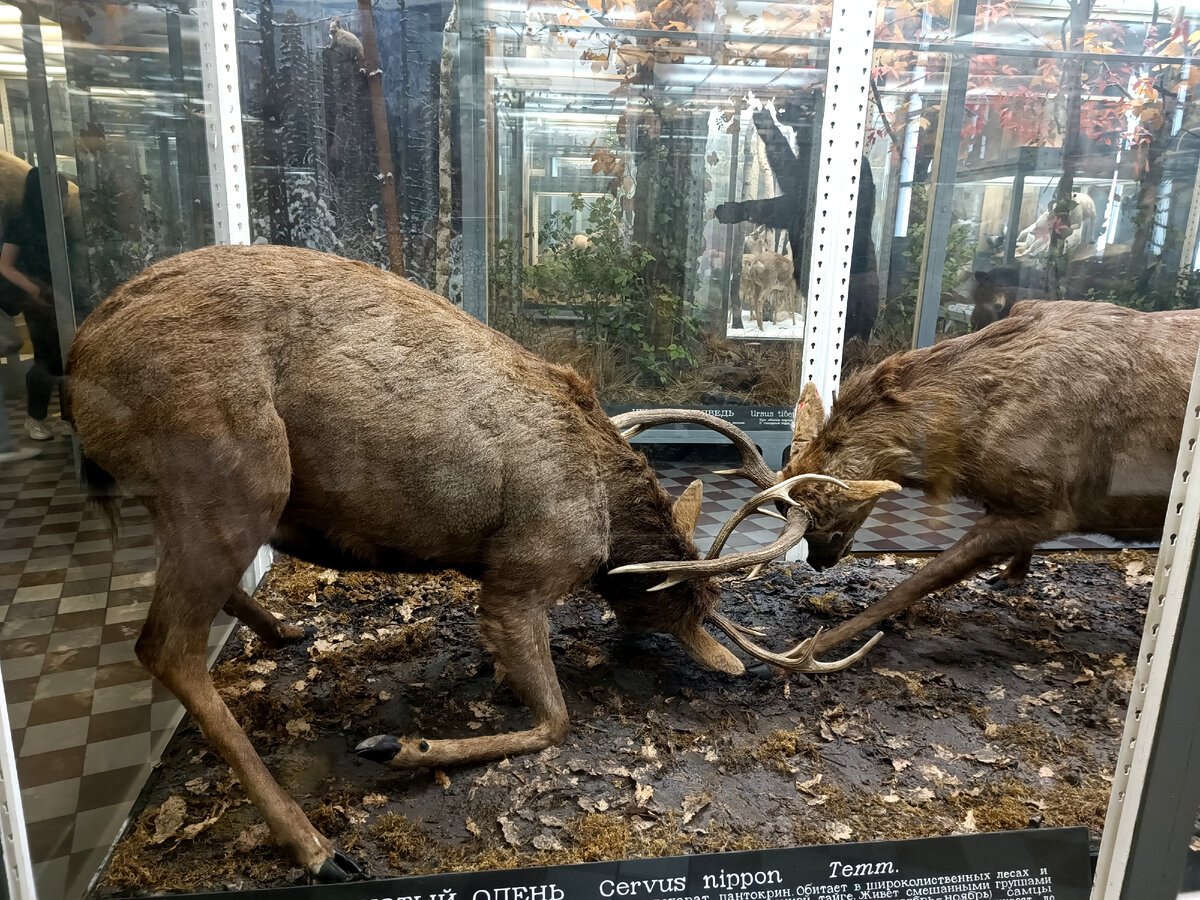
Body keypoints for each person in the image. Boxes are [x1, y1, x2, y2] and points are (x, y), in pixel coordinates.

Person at [0, 167, 72, 441]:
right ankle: (36, 417)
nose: (64, 198)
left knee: (68, 358)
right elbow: (5, 266)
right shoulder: (21, 222)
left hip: (62, 296)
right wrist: (35, 289)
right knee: (46, 357)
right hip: (38, 300)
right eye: (60, 192)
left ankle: (66, 416)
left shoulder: (61, 221)